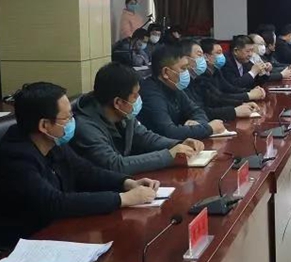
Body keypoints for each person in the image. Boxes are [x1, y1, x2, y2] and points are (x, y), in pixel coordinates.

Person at [0, 82, 160, 248]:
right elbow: (53, 202)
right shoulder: (15, 156)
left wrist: (127, 182)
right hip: (24, 245)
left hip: (60, 230)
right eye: (67, 117)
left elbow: (85, 171)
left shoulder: (53, 142)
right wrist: (122, 199)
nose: (72, 121)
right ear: (44, 125)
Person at [72, 62, 204, 174]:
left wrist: (178, 144)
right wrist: (168, 156)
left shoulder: (124, 115)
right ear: (118, 102)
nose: (139, 99)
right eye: (135, 96)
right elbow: (115, 165)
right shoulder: (86, 127)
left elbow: (145, 137)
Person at [138, 44, 225, 140]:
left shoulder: (174, 87)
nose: (187, 72)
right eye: (183, 68)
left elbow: (197, 111)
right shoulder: (151, 94)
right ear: (166, 72)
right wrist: (208, 128)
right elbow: (169, 132)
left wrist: (197, 123)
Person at [182, 39, 261, 121]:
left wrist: (243, 101)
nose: (203, 59)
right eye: (200, 55)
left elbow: (222, 93)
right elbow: (205, 107)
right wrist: (234, 110)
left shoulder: (209, 73)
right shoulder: (190, 80)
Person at [200, 38, 268, 99]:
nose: (250, 54)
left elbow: (230, 88)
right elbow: (220, 97)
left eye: (221, 52)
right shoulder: (203, 76)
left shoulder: (216, 71)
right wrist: (248, 95)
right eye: (218, 53)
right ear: (206, 57)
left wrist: (252, 91)